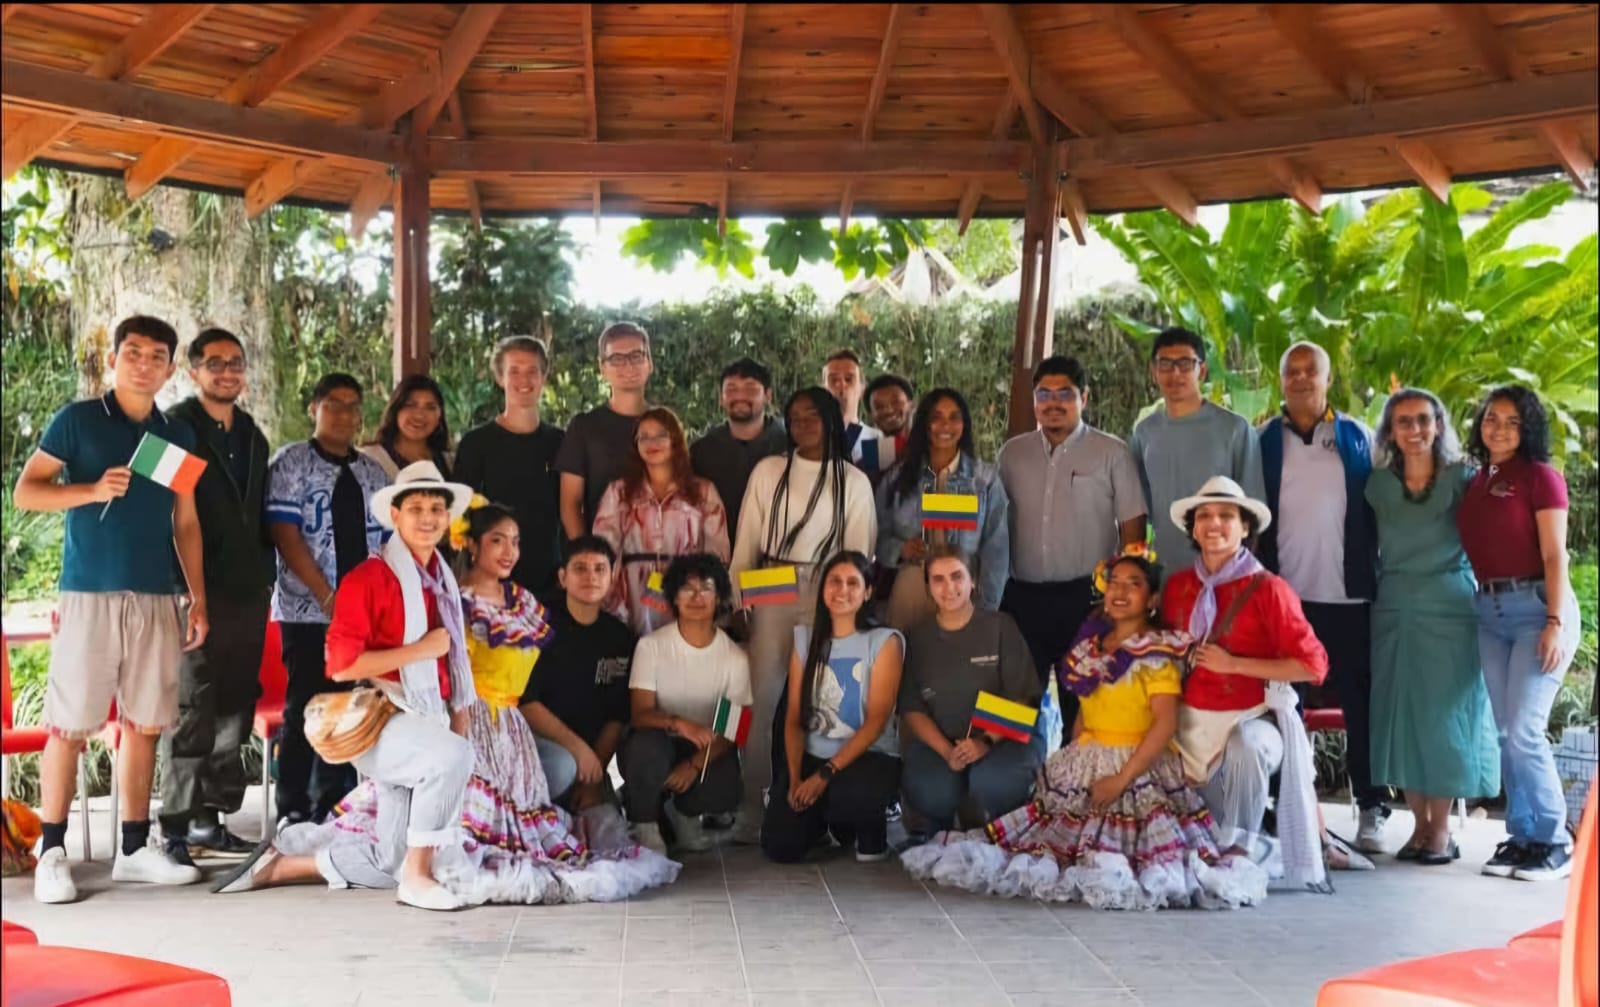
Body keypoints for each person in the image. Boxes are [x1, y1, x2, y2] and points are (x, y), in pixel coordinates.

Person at [903, 550, 1267, 910]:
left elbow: (1166, 722)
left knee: (1123, 850)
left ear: (1152, 598)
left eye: (1134, 584)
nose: (1121, 591)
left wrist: (1122, 779)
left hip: (1135, 764)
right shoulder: (1090, 648)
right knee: (1055, 841)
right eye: (1114, 583)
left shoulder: (1156, 650)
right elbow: (1085, 713)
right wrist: (1073, 759)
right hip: (1088, 757)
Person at [212, 462, 477, 911]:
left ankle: (282, 866)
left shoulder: (442, 581)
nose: (428, 517)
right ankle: (417, 877)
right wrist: (420, 649)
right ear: (395, 516)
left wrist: (456, 721)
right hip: (381, 723)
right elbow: (340, 665)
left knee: (386, 860)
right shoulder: (369, 578)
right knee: (451, 759)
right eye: (416, 507)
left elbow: (453, 669)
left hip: (425, 720)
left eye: (437, 507)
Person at [16, 315, 209, 903]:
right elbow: (28, 490)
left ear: (171, 369)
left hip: (156, 594)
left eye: (156, 355)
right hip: (89, 593)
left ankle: (132, 849)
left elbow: (186, 521)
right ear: (114, 359)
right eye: (133, 352)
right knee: (69, 724)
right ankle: (52, 850)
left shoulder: (175, 436)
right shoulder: (78, 421)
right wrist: (91, 490)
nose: (143, 363)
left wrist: (197, 596)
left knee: (146, 723)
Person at [1159, 476, 1333, 888]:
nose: (1213, 524)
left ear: (1246, 528)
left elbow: (1313, 666)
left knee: (1248, 745)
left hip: (1249, 721)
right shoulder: (1179, 587)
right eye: (1204, 516)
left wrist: (1234, 666)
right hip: (1188, 728)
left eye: (1226, 516)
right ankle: (1249, 843)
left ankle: (1239, 853)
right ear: (1192, 528)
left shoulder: (1269, 589)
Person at [1257, 342, 1390, 854]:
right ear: (1281, 379)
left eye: (1312, 370)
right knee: (1275, 703)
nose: (1302, 378)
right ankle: (1276, 806)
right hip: (1285, 599)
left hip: (1349, 598)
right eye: (1293, 370)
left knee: (1361, 703)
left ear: (1328, 379)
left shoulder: (1358, 437)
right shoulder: (1263, 439)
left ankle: (1372, 805)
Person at [730, 387, 877, 843]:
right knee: (762, 695)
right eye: (795, 417)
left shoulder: (852, 480)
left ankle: (821, 809)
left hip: (828, 587)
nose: (803, 424)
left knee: (826, 700)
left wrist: (847, 605)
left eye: (814, 415)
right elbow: (746, 542)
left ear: (832, 420)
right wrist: (738, 601)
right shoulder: (769, 470)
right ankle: (752, 807)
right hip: (772, 579)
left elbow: (860, 552)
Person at [1367, 390, 1499, 866]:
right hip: (1394, 607)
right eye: (1403, 421)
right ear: (1391, 430)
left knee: (1444, 720)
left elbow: (1499, 528)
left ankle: (1440, 830)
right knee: (1403, 719)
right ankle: (1419, 827)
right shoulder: (1378, 484)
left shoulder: (1465, 478)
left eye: (1424, 420)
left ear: (1439, 425)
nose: (1415, 429)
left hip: (1451, 607)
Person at [160, 328, 275, 859]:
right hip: (192, 592)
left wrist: (265, 580)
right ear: (194, 371)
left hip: (247, 593)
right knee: (192, 705)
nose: (226, 372)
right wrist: (185, 589)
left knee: (234, 703)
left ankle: (213, 817)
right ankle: (177, 826)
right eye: (214, 364)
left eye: (235, 363)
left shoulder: (252, 434)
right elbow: (162, 515)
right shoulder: (172, 430)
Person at [1460, 386, 1582, 882]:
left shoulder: (1542, 478)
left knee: (1526, 729)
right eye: (1492, 419)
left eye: (1512, 421)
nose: (1500, 428)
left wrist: (1554, 622)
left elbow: (1556, 556)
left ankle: (1554, 840)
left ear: (1527, 427)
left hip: (1537, 609)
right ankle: (1523, 836)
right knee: (1506, 730)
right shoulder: (1479, 480)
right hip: (1490, 613)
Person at [997, 355, 1145, 737]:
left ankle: (1076, 789)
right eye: (1044, 394)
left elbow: (1133, 532)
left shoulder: (1112, 452)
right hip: (1021, 597)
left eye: (1065, 393)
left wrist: (1123, 599)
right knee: (1014, 700)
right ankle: (1014, 782)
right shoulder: (1012, 454)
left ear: (1085, 398)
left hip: (1087, 599)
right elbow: (993, 523)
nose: (1053, 402)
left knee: (1081, 705)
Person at [266, 373, 389, 828]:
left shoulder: (372, 473)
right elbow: (284, 532)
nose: (343, 413)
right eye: (333, 403)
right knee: (309, 704)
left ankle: (335, 805)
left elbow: (387, 546)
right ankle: (294, 809)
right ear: (315, 407)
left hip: (363, 615)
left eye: (353, 406)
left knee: (352, 704)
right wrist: (325, 594)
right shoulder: (292, 462)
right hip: (307, 609)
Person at [762, 551, 903, 863]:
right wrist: (795, 778)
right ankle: (822, 826)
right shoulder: (805, 639)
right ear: (823, 589)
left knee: (849, 795)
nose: (842, 590)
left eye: (853, 583)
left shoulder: (884, 641)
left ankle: (867, 830)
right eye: (835, 581)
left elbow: (878, 719)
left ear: (868, 591)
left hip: (866, 757)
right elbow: (794, 717)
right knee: (780, 846)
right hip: (814, 756)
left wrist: (825, 774)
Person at [899, 548, 1043, 835]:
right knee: (931, 791)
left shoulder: (1001, 626)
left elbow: (1023, 697)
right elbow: (912, 708)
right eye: (938, 579)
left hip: (1004, 739)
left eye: (957, 576)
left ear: (972, 580)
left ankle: (1006, 821)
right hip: (942, 743)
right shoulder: (916, 637)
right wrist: (946, 750)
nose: (949, 587)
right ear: (927, 587)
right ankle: (939, 824)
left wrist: (984, 743)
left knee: (992, 782)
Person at [620, 554, 754, 856]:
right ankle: (645, 823)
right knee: (645, 748)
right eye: (686, 588)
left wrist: (694, 766)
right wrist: (678, 723)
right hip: (658, 740)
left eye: (705, 588)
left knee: (726, 786)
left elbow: (734, 730)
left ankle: (685, 815)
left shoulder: (735, 657)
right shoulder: (651, 646)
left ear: (719, 597)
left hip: (702, 748)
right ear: (673, 597)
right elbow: (640, 715)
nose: (696, 597)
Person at [1130, 327, 1265, 570]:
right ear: (1153, 371)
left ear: (1201, 370)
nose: (1175, 373)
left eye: (1185, 364)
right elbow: (1140, 510)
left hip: (1222, 571)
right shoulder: (1144, 433)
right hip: (1164, 571)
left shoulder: (1235, 430)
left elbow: (1252, 515)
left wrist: (1238, 576)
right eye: (1165, 364)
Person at [876, 388, 1009, 631]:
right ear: (924, 423)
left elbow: (996, 552)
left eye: (953, 417)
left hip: (963, 590)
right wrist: (899, 549)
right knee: (908, 663)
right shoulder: (898, 478)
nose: (944, 425)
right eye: (936, 417)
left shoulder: (985, 480)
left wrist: (988, 609)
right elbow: (876, 535)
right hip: (912, 588)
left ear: (964, 424)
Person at [518, 537, 635, 812]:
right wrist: (579, 751)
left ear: (613, 576)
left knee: (604, 821)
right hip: (539, 744)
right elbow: (526, 702)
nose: (590, 577)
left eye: (599, 569)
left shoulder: (620, 637)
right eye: (580, 568)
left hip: (588, 759)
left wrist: (594, 775)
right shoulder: (538, 627)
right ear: (563, 577)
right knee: (561, 768)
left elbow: (617, 716)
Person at [594, 407, 730, 636]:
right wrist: (607, 600)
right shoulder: (618, 492)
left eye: (660, 435)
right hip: (630, 598)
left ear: (675, 440)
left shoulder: (703, 492)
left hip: (685, 592)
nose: (651, 442)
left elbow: (717, 556)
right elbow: (603, 550)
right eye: (643, 437)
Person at [454, 336, 566, 596]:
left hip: (551, 579)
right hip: (490, 582)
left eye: (532, 372)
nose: (523, 380)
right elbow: (461, 517)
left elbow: (570, 511)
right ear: (500, 378)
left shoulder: (561, 442)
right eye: (514, 371)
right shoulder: (475, 444)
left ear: (544, 377)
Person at [557, 322, 652, 538]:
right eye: (617, 359)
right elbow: (570, 505)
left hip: (663, 555)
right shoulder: (584, 427)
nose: (628, 366)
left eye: (636, 356)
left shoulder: (666, 424)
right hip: (604, 558)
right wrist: (586, 558)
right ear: (602, 368)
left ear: (650, 362)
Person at [690, 357, 788, 534]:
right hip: (720, 556)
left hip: (779, 557)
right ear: (721, 398)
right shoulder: (700, 452)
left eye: (751, 388)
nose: (740, 396)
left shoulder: (791, 444)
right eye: (731, 389)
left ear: (768, 395)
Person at [361, 374, 455, 480]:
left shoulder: (450, 463)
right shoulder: (369, 460)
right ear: (395, 411)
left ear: (440, 415)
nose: (419, 415)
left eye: (430, 407)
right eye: (410, 405)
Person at [823, 348, 888, 475]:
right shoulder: (810, 438)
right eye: (834, 380)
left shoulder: (876, 439)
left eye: (849, 379)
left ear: (861, 390)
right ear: (823, 390)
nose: (841, 385)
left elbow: (879, 489)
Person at [865, 373, 915, 461]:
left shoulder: (931, 446)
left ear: (911, 406)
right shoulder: (870, 457)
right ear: (871, 416)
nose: (888, 410)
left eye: (896, 402)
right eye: (879, 407)